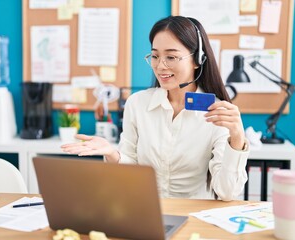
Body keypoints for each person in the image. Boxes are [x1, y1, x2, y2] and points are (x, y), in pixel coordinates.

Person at [61, 16, 249, 201]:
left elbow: (227, 192)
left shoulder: (218, 112)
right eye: (155, 56)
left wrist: (238, 138)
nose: (160, 66)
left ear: (197, 59)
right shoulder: (137, 104)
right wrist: (112, 154)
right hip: (145, 212)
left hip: (194, 218)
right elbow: (129, 172)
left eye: (171, 57)